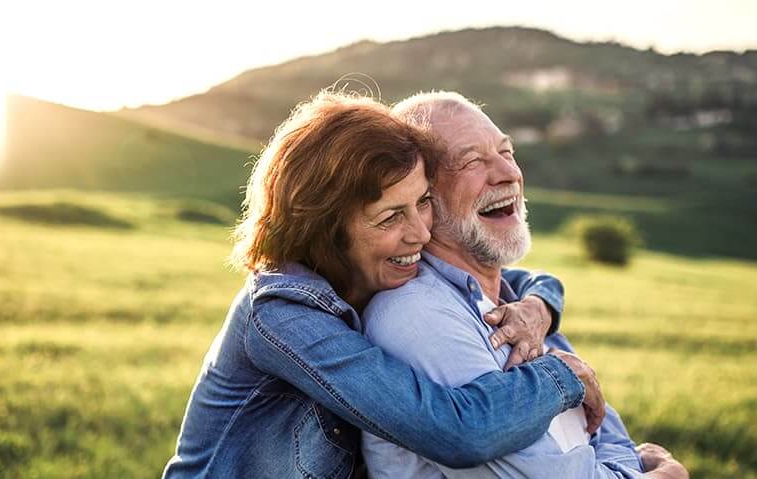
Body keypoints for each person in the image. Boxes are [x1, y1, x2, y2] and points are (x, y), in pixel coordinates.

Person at [161, 91, 605, 478]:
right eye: (392, 216)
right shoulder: (281, 315)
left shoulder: (368, 273)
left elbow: (518, 279)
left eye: (423, 202)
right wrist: (561, 374)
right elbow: (456, 432)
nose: (421, 233)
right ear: (327, 229)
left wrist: (539, 306)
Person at [360, 91, 689, 479]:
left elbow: (598, 429)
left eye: (507, 152)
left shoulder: (521, 308)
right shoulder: (417, 316)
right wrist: (665, 476)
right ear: (421, 195)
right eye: (472, 162)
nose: (508, 174)